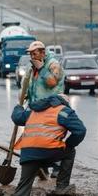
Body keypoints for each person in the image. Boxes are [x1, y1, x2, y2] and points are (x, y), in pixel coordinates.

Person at [11, 94, 86, 196]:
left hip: (28, 153)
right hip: (50, 152)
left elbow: (17, 118)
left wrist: (19, 106)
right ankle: (62, 187)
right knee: (70, 152)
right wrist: (68, 144)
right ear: (64, 102)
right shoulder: (64, 111)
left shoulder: (33, 110)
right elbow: (81, 131)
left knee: (23, 187)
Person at [21, 41, 65, 178]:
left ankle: (57, 167)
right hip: (37, 107)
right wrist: (24, 95)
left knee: (52, 138)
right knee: (38, 139)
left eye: (34, 54)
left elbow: (52, 82)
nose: (32, 57)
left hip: (52, 106)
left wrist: (41, 69)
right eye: (31, 54)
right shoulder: (33, 66)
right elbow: (30, 84)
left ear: (43, 52)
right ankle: (42, 167)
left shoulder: (53, 65)